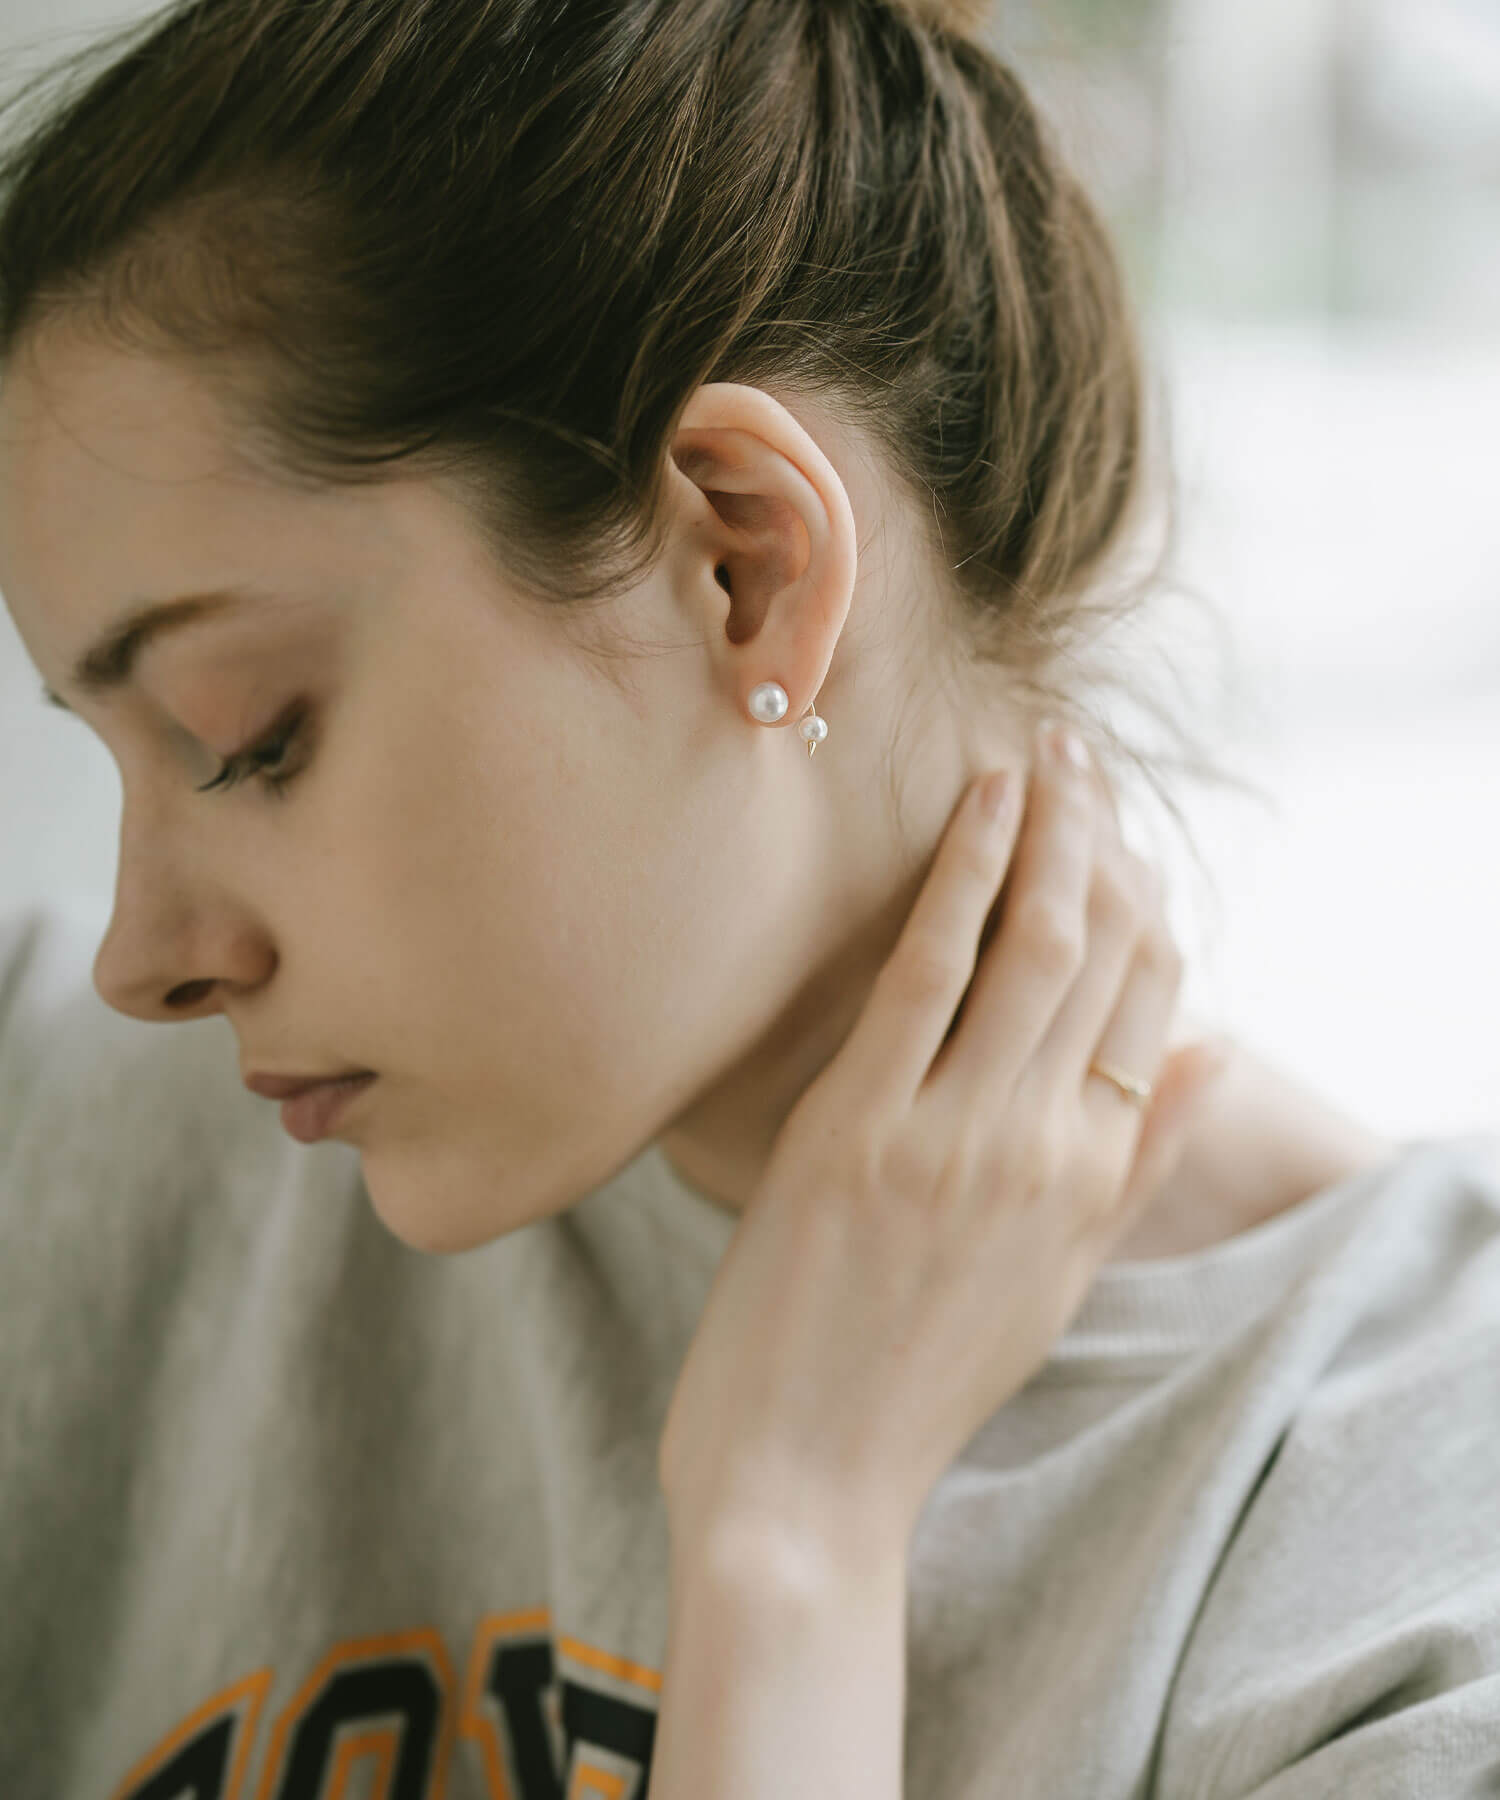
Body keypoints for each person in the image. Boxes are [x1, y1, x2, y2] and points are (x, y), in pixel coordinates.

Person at [0, 0, 1494, 1795]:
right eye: (112, 755)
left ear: (743, 563)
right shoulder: (61, 1158)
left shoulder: (1407, 1545)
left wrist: (795, 1546)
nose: (141, 954)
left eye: (243, 740)